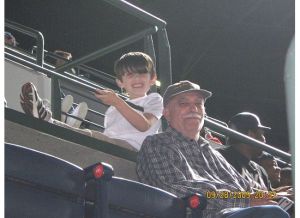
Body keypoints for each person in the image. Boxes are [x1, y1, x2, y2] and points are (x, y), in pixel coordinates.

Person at [136, 80, 289, 218]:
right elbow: (175, 189)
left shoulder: (213, 153)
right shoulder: (157, 144)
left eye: (198, 103)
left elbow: (244, 187)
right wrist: (245, 201)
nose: (193, 108)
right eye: (183, 103)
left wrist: (273, 196)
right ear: (166, 113)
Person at [20, 52, 163, 151]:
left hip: (133, 150)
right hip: (111, 147)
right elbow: (110, 136)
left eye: (142, 74)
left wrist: (118, 102)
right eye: (131, 75)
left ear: (152, 78)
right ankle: (49, 120)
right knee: (90, 138)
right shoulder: (113, 108)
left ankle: (49, 120)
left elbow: (144, 125)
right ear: (120, 82)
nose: (137, 79)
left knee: (92, 136)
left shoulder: (154, 99)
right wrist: (117, 103)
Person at [219, 112, 272, 191]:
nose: (264, 140)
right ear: (250, 134)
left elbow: (271, 198)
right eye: (262, 134)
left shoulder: (260, 170)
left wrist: (282, 194)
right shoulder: (219, 157)